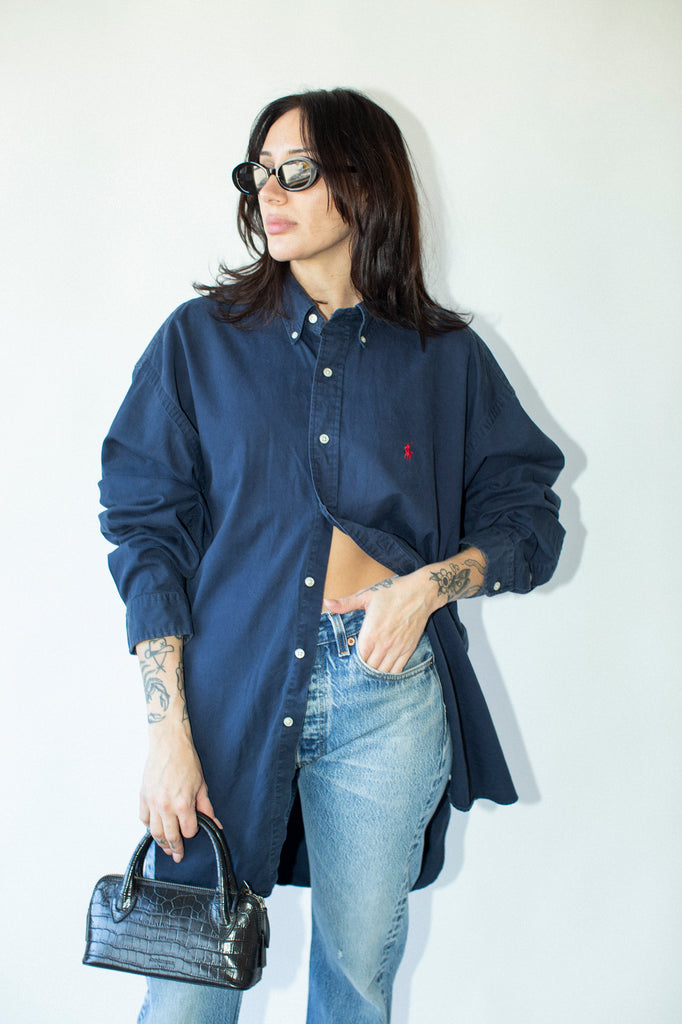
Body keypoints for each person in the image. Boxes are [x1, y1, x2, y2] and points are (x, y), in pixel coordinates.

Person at [99, 87, 565, 1024]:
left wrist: (431, 587)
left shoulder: (443, 358)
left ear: (363, 183)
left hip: (388, 699)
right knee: (188, 991)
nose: (270, 191)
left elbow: (528, 516)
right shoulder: (200, 344)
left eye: (297, 171)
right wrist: (166, 731)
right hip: (229, 690)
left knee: (354, 985)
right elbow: (145, 526)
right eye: (260, 172)